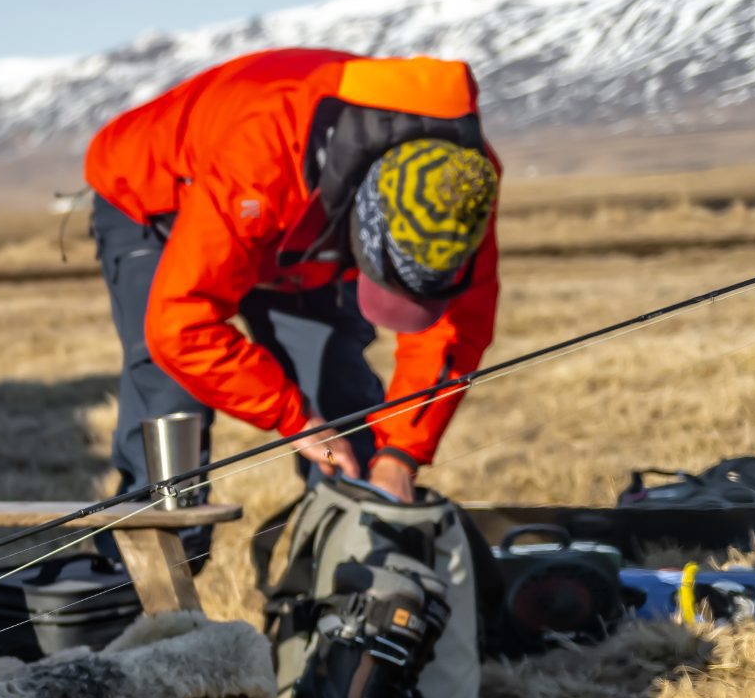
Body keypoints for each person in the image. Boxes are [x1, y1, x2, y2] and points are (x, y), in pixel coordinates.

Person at [82, 49, 502, 532]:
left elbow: (455, 329)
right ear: (359, 226)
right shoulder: (265, 148)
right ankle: (148, 588)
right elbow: (181, 325)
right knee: (171, 412)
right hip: (157, 196)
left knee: (343, 404)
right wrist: (295, 421)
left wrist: (400, 456)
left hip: (297, 218)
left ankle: (350, 562)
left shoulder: (462, 185)